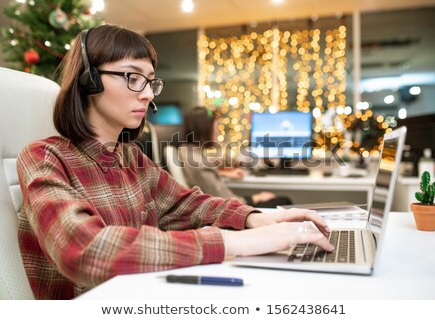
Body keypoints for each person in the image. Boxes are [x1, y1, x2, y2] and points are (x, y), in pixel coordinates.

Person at [17, 24, 333, 300]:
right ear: (89, 81)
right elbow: (86, 252)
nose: (146, 95)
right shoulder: (45, 158)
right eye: (132, 77)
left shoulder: (131, 158)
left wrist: (254, 219)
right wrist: (235, 241)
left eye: (150, 81)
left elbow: (187, 204)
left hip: (146, 294)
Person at [179, 107, 292, 208]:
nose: (218, 133)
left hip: (224, 203)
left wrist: (223, 172)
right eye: (216, 128)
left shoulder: (187, 151)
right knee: (284, 201)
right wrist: (255, 198)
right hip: (227, 207)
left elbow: (209, 166)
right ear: (205, 130)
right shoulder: (197, 163)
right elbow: (223, 199)